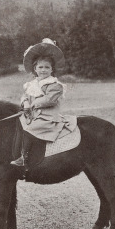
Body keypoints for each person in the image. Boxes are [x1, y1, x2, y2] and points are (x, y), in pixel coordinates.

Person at [11, 38, 76, 169]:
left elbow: (50, 99)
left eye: (47, 67)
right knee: (17, 124)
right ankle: (15, 152)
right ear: (35, 69)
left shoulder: (54, 84)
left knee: (30, 129)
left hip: (47, 116)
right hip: (32, 114)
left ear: (52, 69)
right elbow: (24, 96)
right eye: (40, 67)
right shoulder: (32, 84)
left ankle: (25, 158)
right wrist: (25, 103)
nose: (43, 70)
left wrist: (33, 103)